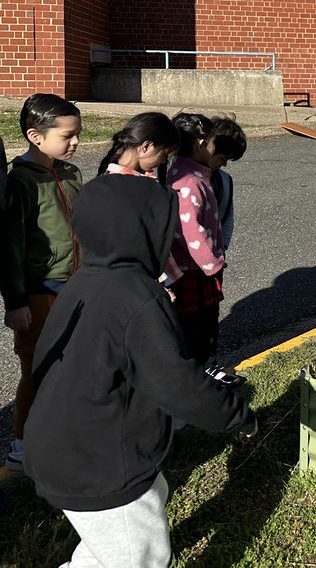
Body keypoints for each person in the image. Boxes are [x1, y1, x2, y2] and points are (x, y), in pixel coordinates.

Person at [23, 170, 256, 568]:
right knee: (138, 556)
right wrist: (236, 415)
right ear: (144, 233)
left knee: (108, 545)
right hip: (100, 465)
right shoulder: (136, 297)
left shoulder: (85, 281)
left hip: (61, 447)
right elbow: (177, 383)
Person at [1, 94, 83, 472]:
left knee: (74, 365)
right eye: (67, 135)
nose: (76, 142)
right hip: (38, 294)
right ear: (35, 136)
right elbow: (11, 245)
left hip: (77, 287)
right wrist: (15, 301)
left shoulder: (70, 173)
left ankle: (65, 434)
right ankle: (23, 443)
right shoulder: (20, 180)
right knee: (37, 367)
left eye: (78, 134)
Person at [166, 113, 225, 366]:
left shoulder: (194, 174)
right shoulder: (189, 182)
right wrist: (213, 264)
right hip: (193, 269)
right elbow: (191, 232)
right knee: (196, 332)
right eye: (212, 143)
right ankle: (198, 377)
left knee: (199, 330)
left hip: (195, 268)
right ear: (200, 143)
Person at [98, 112, 179, 181]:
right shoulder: (133, 186)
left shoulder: (108, 176)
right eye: (164, 154)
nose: (163, 161)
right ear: (146, 147)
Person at [207, 116, 246, 252]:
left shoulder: (224, 180)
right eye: (222, 158)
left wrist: (223, 246)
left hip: (216, 252)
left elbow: (228, 214)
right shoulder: (187, 179)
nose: (224, 164)